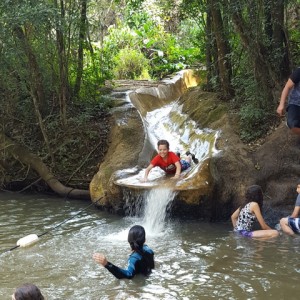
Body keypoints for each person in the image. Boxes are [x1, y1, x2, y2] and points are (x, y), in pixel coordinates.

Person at [276, 67, 300, 135]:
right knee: (292, 123)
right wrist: (281, 105)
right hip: (295, 103)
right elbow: (287, 87)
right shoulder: (298, 72)